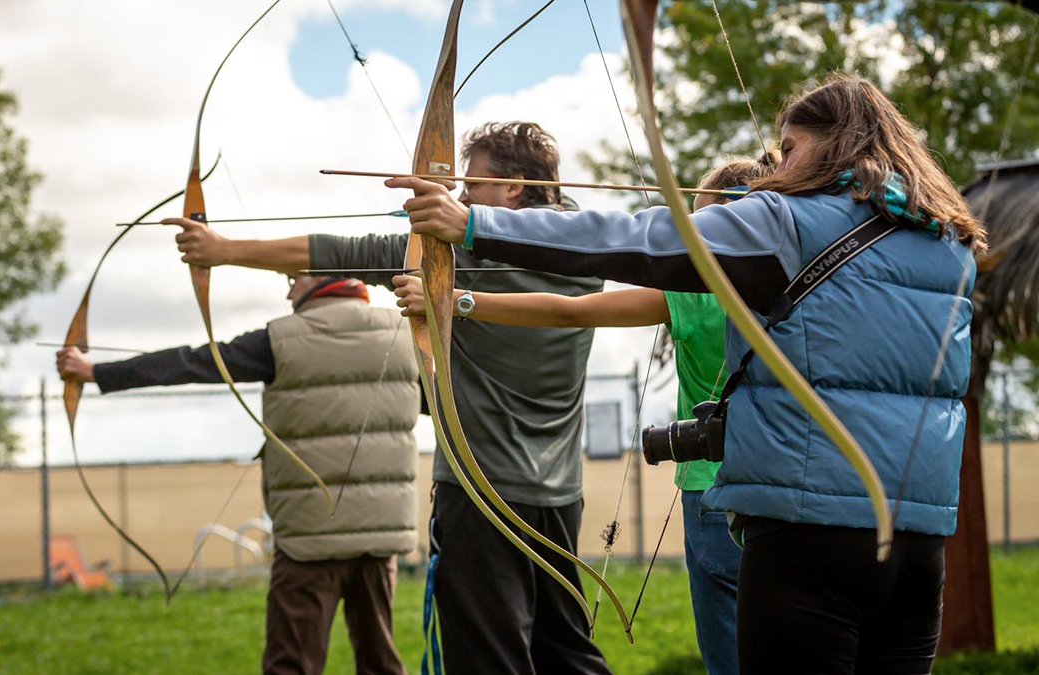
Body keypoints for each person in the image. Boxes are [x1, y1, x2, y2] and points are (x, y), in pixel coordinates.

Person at [391, 74, 985, 674]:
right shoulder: (946, 239)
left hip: (809, 534)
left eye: (791, 148)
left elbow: (635, 236)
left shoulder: (785, 222)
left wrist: (474, 224)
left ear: (831, 146)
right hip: (917, 541)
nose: (777, 164)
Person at [169, 122, 611, 674]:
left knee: (488, 658)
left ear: (515, 187)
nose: (461, 197)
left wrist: (223, 249)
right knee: (566, 651)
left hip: (481, 496)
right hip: (560, 495)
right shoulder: (589, 251)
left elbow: (343, 252)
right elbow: (349, 251)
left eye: (471, 186)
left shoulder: (461, 261)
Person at [392, 154, 777, 675]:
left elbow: (568, 312)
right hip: (791, 491)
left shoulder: (698, 292)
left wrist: (454, 300)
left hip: (713, 492)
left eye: (704, 224)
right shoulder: (808, 286)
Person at [56, 274, 418, 675]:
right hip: (379, 538)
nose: (288, 291)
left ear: (320, 276)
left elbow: (193, 362)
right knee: (381, 662)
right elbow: (444, 408)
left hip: (308, 539)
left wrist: (96, 372)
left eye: (294, 280)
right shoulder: (403, 334)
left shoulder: (281, 339)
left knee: (291, 666)